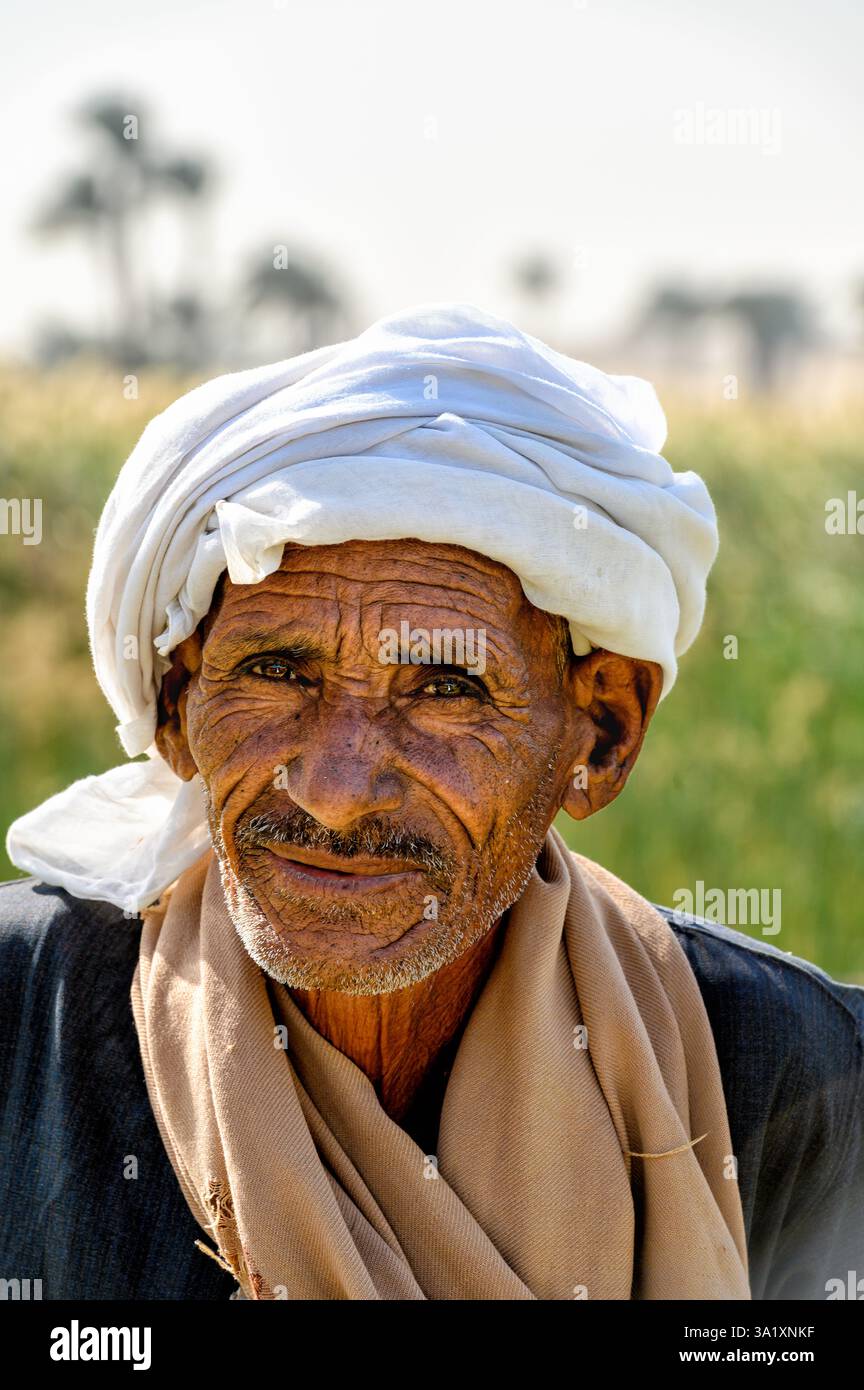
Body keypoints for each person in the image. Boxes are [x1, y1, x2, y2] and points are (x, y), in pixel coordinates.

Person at [1, 303, 861, 1301]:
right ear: (176, 706)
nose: (330, 790)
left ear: (604, 733)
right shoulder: (24, 1019)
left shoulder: (798, 1070)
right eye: (277, 671)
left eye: (446, 690)